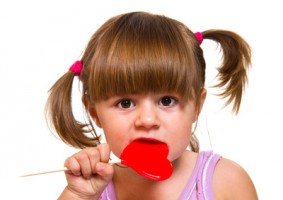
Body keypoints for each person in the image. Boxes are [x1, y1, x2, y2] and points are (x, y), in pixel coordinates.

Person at [46, 11, 258, 200]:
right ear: (95, 113)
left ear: (197, 107)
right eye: (125, 103)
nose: (147, 120)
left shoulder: (224, 182)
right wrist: (79, 195)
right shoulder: (90, 191)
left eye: (167, 101)